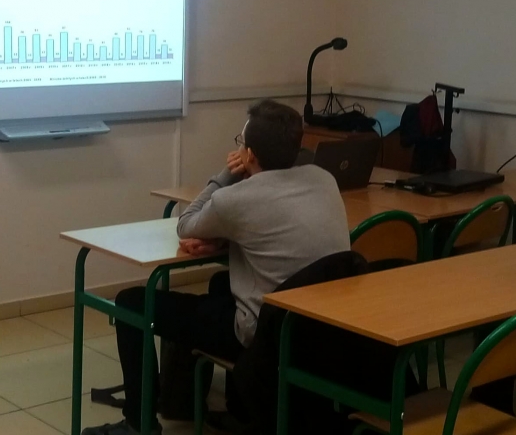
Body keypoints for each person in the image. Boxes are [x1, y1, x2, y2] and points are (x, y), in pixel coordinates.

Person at [83, 100, 350, 435]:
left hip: (262, 337)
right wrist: (226, 241)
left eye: (240, 144)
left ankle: (139, 423)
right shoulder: (324, 180)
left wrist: (227, 174)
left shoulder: (237, 199)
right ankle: (229, 408)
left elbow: (186, 224)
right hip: (319, 329)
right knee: (221, 283)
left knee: (131, 302)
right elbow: (273, 232)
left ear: (249, 155)